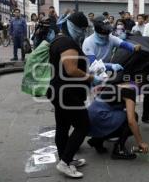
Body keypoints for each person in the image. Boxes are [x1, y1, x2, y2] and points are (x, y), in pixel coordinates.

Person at [47, 12, 102, 178]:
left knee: (62, 126)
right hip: (68, 93)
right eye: (82, 28)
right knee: (83, 125)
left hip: (59, 90)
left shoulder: (58, 39)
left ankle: (65, 158)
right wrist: (92, 77)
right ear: (75, 27)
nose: (83, 32)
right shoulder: (67, 43)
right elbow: (71, 70)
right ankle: (65, 162)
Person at [87, 83, 149, 159]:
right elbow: (131, 121)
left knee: (122, 116)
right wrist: (141, 142)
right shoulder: (130, 92)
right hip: (100, 116)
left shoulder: (118, 86)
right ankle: (119, 149)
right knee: (133, 118)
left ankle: (97, 140)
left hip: (90, 118)